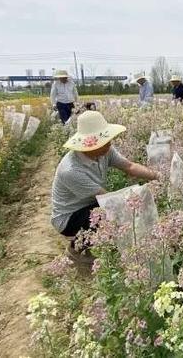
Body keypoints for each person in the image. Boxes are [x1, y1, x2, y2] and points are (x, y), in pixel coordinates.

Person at [51, 111, 159, 262]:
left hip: (89, 204)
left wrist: (158, 176)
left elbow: (129, 166)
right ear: (89, 145)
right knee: (108, 214)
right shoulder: (71, 170)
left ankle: (92, 245)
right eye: (105, 141)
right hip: (69, 217)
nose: (110, 144)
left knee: (109, 212)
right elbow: (108, 200)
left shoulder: (104, 150)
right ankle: (75, 249)